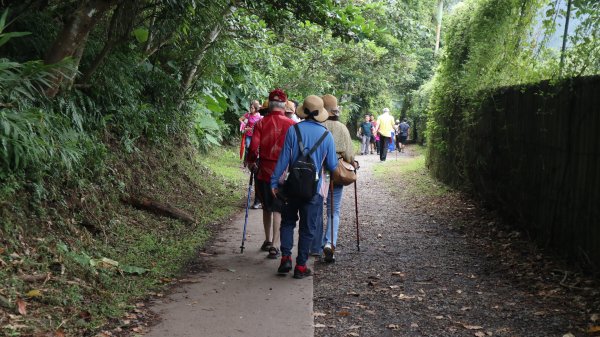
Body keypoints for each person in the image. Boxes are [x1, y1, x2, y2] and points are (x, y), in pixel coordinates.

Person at [271, 95, 337, 279]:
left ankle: (285, 258)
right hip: (313, 190)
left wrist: (274, 182)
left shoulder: (293, 131)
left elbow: (283, 159)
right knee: (308, 228)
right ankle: (301, 267)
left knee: (288, 222)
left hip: (291, 187)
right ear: (320, 114)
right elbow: (332, 165)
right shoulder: (326, 135)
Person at [246, 89, 296, 258]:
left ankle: (267, 240)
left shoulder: (260, 123)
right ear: (284, 106)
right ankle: (275, 245)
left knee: (266, 207)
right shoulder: (291, 125)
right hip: (284, 172)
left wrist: (251, 161)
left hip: (264, 171)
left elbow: (253, 148)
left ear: (270, 105)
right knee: (278, 209)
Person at [314, 94, 354, 263]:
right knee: (334, 209)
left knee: (315, 208)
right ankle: (330, 242)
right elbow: (349, 155)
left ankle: (314, 246)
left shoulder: (317, 125)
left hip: (317, 171)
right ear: (336, 110)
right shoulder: (342, 128)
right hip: (336, 171)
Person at [239, 101, 263, 208]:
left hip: (257, 140)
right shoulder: (248, 115)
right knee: (248, 147)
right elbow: (241, 120)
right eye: (250, 107)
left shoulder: (260, 117)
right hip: (250, 137)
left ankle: (260, 199)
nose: (251, 109)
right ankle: (247, 160)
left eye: (253, 107)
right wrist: (244, 126)